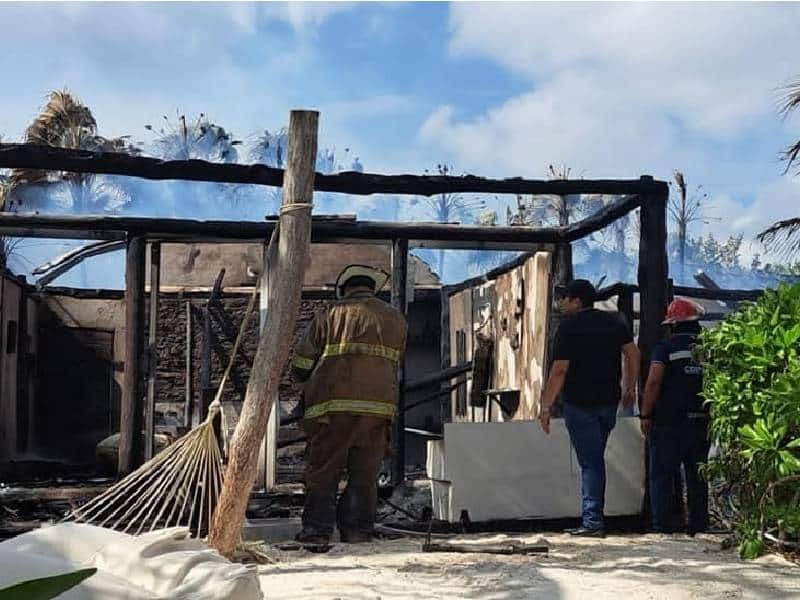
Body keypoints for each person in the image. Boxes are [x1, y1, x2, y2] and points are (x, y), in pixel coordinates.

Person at [291, 265, 408, 546]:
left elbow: (303, 362)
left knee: (324, 469)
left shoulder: (330, 314)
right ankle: (358, 532)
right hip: (379, 410)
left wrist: (301, 379)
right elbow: (396, 362)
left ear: (344, 289)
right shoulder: (395, 318)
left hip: (333, 410)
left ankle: (317, 532)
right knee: (365, 473)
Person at [539, 279, 640, 537]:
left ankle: (593, 521)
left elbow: (560, 370)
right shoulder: (614, 321)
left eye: (565, 298)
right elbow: (633, 353)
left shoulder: (568, 327)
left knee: (591, 462)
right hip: (608, 402)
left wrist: (546, 406)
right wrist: (629, 387)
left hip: (579, 403)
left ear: (576, 301)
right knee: (595, 458)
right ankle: (593, 517)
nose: (561, 303)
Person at [640, 298, 709, 535]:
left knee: (661, 475)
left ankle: (663, 525)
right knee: (697, 475)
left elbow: (653, 382)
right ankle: (699, 524)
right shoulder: (709, 351)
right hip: (701, 420)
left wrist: (645, 414)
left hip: (668, 422)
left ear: (674, 325)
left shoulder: (665, 349)